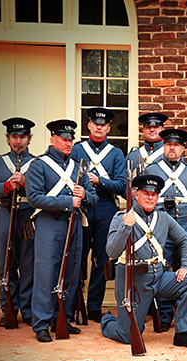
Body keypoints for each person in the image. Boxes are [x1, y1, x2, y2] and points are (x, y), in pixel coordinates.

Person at [101, 174, 187, 350]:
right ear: (135, 194)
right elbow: (112, 252)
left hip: (158, 275)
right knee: (128, 336)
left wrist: (186, 266)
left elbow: (185, 240)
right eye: (146, 193)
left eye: (154, 194)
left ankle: (183, 333)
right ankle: (107, 319)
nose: (150, 198)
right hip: (132, 280)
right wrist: (125, 227)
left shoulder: (163, 217)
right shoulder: (121, 217)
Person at [25, 119, 98, 343]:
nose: (68, 143)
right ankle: (41, 324)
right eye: (64, 139)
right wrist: (68, 201)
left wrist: (85, 195)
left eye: (70, 140)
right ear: (52, 139)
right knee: (47, 274)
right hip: (50, 223)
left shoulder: (77, 166)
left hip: (74, 224)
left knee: (71, 272)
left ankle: (63, 319)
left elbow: (93, 198)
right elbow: (34, 198)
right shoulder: (39, 165)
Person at [146, 128, 187, 332]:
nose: (172, 148)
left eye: (176, 145)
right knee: (162, 271)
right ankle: (164, 316)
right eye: (169, 144)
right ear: (164, 146)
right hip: (161, 229)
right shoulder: (151, 170)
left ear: (183, 148)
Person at [70, 107, 126, 323]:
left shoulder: (115, 153)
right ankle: (74, 305)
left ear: (108, 128)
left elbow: (121, 185)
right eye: (96, 123)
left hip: (105, 208)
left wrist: (99, 181)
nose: (100, 127)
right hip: (82, 207)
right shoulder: (77, 150)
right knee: (77, 257)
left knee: (101, 260)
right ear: (89, 126)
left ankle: (94, 306)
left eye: (104, 124)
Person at [0, 117, 36, 326]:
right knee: (6, 264)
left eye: (22, 137)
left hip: (28, 216)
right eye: (14, 137)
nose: (18, 141)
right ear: (8, 138)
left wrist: (25, 183)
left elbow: (44, 191)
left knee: (29, 265)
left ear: (29, 139)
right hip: (4, 214)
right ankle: (8, 308)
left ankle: (29, 310)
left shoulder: (37, 163)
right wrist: (6, 186)